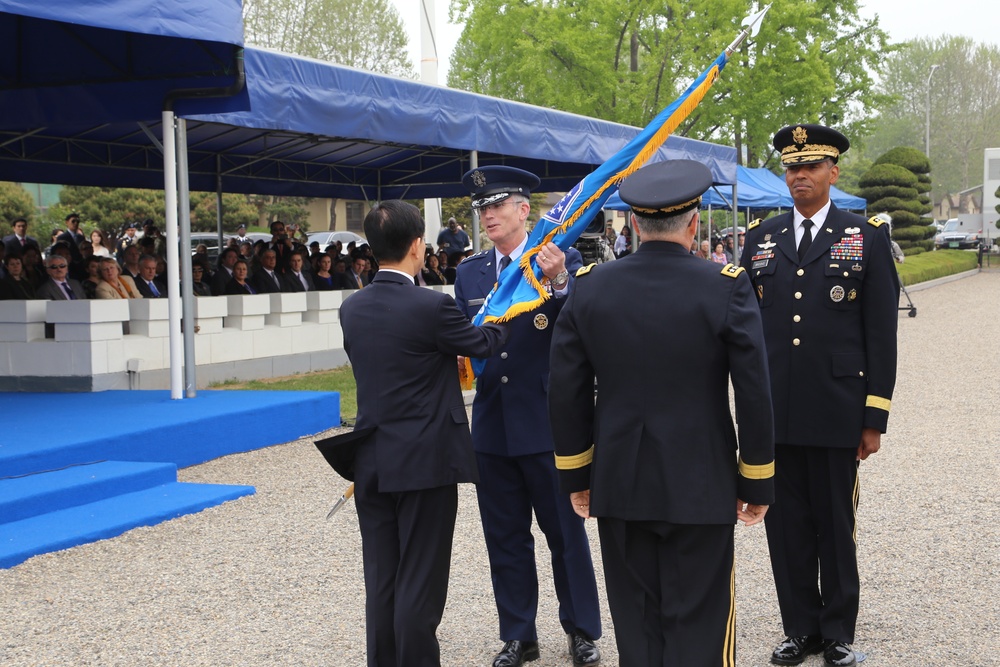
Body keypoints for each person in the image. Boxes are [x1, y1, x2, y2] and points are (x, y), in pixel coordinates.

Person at [549, 159, 775, 667]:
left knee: (637, 627)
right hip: (702, 480)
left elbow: (565, 390)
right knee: (701, 624)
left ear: (632, 224)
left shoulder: (590, 287)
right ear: (694, 223)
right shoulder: (727, 286)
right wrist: (756, 479)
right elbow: (755, 392)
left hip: (621, 481)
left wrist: (577, 476)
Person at [738, 124, 899, 667]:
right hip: (776, 413)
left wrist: (873, 417)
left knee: (835, 525)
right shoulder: (761, 238)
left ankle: (837, 632)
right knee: (784, 529)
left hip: (836, 410)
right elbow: (745, 329)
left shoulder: (866, 237)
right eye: (791, 167)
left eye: (810, 167)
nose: (799, 176)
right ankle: (798, 628)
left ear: (834, 172)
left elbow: (881, 333)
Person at [338, 200, 509, 667]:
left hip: (371, 459)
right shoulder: (432, 306)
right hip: (424, 462)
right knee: (421, 579)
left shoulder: (351, 309)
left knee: (383, 578)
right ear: (418, 245)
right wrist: (506, 302)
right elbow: (486, 343)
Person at [453, 165, 602, 667]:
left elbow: (582, 324)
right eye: (481, 209)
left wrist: (560, 279)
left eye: (497, 205)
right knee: (505, 536)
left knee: (565, 533)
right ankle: (519, 634)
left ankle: (582, 630)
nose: (488, 215)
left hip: (546, 421)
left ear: (524, 210)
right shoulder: (470, 272)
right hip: (493, 424)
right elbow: (468, 344)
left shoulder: (561, 258)